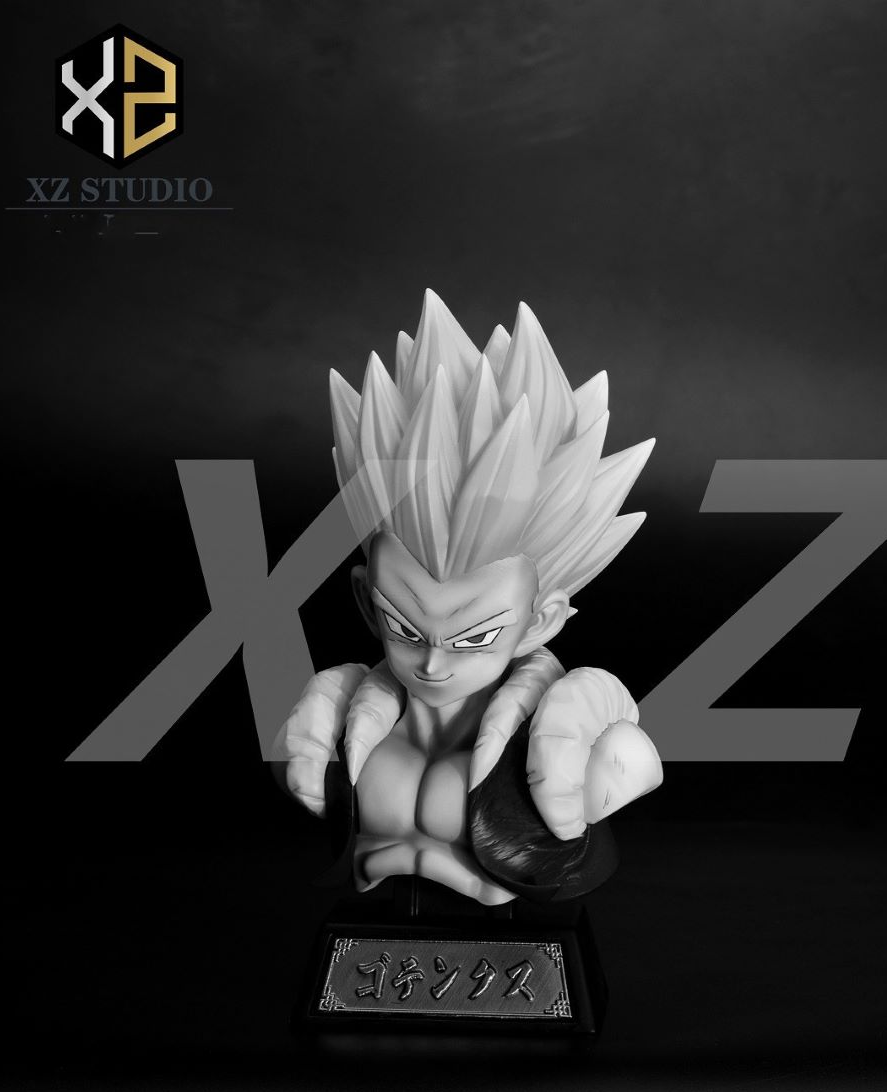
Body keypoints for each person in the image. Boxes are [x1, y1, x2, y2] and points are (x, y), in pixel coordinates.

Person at [275, 291, 662, 905]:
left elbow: (615, 771)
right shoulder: (345, 721)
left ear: (540, 621)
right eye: (405, 628)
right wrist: (331, 705)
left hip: (495, 945)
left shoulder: (570, 737)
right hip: (383, 943)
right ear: (366, 602)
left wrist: (595, 711)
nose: (433, 663)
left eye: (474, 636)